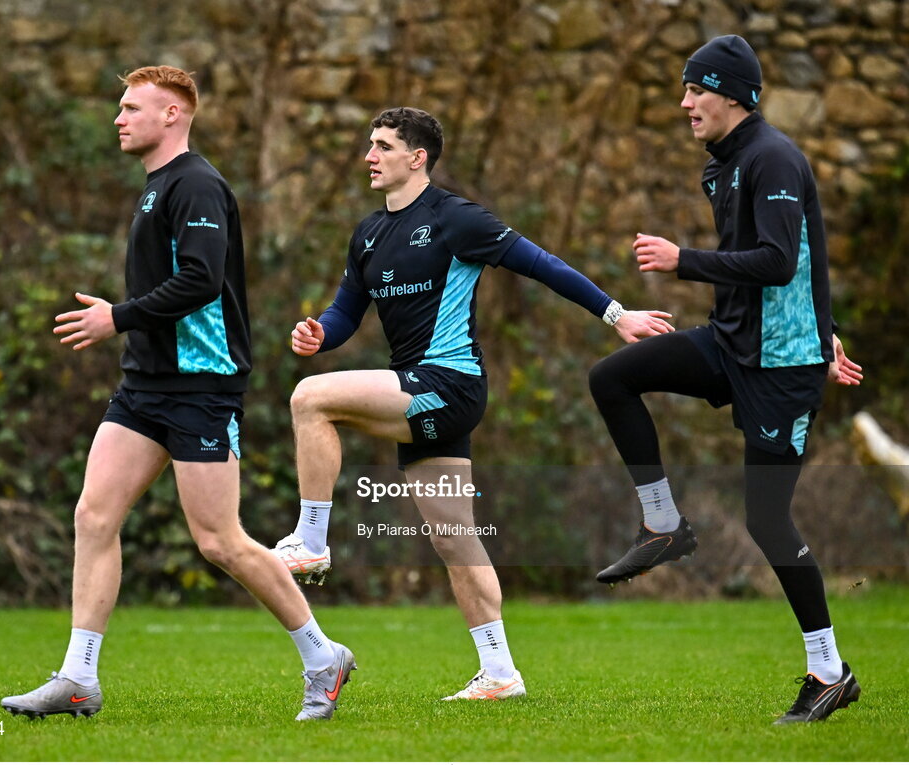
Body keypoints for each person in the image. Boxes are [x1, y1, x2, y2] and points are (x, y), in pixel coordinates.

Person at [272, 106, 674, 700]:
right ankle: (501, 673)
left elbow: (543, 264)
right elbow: (344, 313)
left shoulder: (455, 218)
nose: (369, 156)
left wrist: (616, 314)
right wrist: (320, 335)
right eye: (369, 145)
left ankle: (310, 541)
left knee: (311, 398)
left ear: (418, 158)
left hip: (449, 382)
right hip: (419, 387)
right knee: (454, 537)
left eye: (382, 146)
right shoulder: (368, 233)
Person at [0, 66, 354, 723]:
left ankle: (322, 655)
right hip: (144, 386)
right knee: (93, 516)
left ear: (174, 116)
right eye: (120, 106)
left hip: (201, 386)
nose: (119, 117)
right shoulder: (156, 186)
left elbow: (201, 279)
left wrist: (119, 317)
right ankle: (78, 676)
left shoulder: (195, 184)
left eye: (133, 107)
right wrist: (130, 332)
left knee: (219, 541)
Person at [586, 36, 864, 724]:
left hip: (780, 367)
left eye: (695, 90)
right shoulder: (728, 165)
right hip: (733, 343)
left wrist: (686, 262)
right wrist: (825, 323)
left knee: (766, 517)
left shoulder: (772, 156)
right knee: (612, 377)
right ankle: (663, 524)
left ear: (733, 93)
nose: (684, 103)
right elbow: (808, 258)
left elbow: (777, 260)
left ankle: (829, 670)